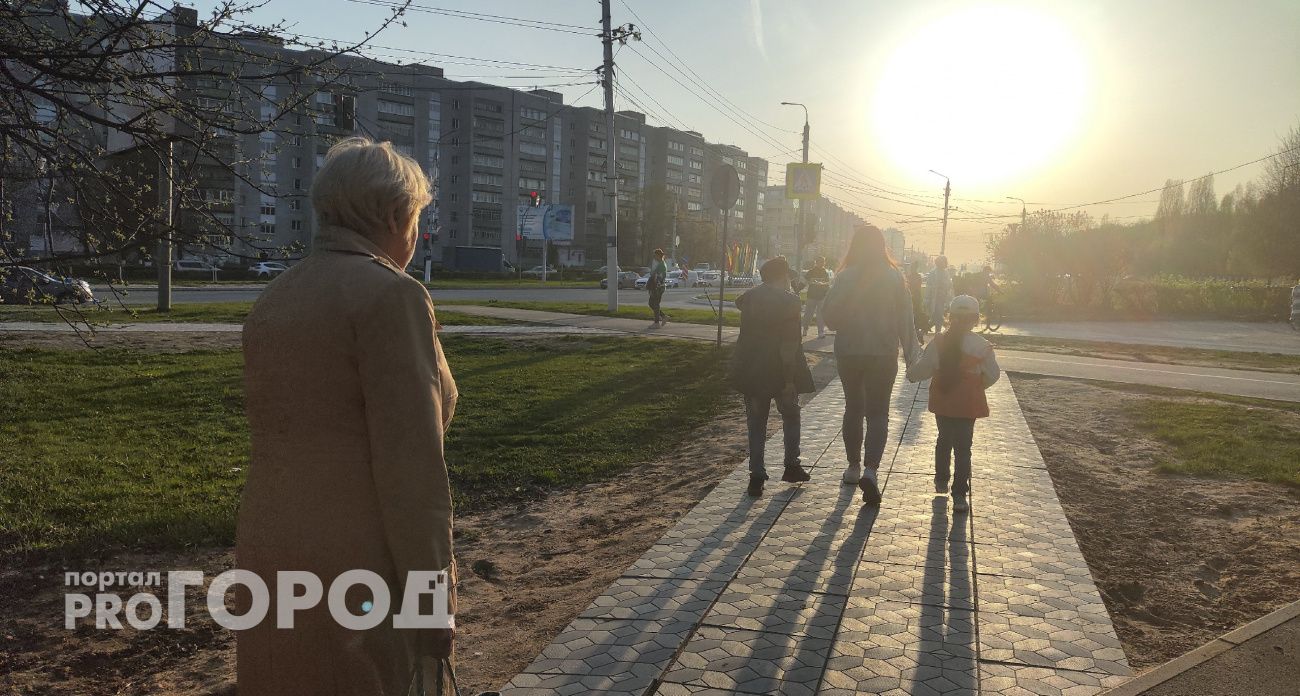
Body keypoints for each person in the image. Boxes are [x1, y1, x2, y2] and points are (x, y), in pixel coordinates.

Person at [238, 137, 458, 696]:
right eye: (415, 217)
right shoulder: (391, 296)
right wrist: (433, 606)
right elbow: (412, 472)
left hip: (270, 543)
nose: (416, 233)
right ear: (392, 214)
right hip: (359, 558)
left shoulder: (278, 296)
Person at [822, 225, 920, 506]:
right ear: (881, 246)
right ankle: (871, 471)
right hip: (883, 353)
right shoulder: (894, 277)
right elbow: (906, 319)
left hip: (850, 352)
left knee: (853, 407)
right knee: (878, 413)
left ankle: (853, 468)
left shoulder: (844, 276)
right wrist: (911, 354)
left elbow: (829, 317)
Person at [905, 295, 1001, 512]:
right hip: (969, 402)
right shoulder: (982, 346)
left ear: (949, 316)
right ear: (975, 319)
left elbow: (925, 367)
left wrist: (911, 374)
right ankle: (960, 495)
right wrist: (977, 386)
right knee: (964, 447)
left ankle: (941, 479)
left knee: (943, 439)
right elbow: (993, 375)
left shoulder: (939, 342)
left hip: (943, 399)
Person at [731, 256, 815, 497]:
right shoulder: (789, 302)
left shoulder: (748, 298)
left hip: (751, 369)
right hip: (779, 370)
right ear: (783, 276)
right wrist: (789, 379)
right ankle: (791, 465)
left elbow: (742, 304)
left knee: (756, 423)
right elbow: (789, 344)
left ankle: (756, 476)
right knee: (790, 414)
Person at [924, 256, 954, 336]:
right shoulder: (933, 273)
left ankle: (927, 331)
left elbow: (949, 286)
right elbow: (929, 287)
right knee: (937, 317)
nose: (944, 264)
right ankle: (937, 333)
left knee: (937, 317)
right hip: (935, 299)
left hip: (943, 298)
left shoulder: (946, 273)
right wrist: (927, 300)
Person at [802, 256, 831, 338]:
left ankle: (820, 332)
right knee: (808, 314)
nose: (822, 264)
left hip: (821, 296)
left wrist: (827, 290)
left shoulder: (825, 272)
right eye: (820, 262)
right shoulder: (811, 272)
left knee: (820, 315)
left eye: (823, 262)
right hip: (811, 296)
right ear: (816, 262)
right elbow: (805, 282)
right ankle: (805, 329)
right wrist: (798, 289)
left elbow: (827, 284)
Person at [971, 265, 1000, 331]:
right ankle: (988, 319)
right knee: (989, 303)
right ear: (987, 270)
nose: (989, 273)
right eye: (989, 271)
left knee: (977, 306)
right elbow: (992, 284)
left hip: (975, 293)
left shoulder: (979, 275)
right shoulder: (986, 276)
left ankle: (976, 319)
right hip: (982, 293)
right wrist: (1000, 291)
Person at [906, 263, 927, 343]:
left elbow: (909, 287)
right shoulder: (916, 277)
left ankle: (916, 336)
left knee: (913, 318)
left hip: (913, 299)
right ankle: (918, 335)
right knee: (916, 319)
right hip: (915, 299)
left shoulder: (910, 277)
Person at [648, 248, 668, 326]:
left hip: (658, 287)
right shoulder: (659, 264)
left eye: (655, 255)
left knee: (655, 304)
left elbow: (659, 277)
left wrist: (654, 283)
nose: (654, 257)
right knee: (651, 303)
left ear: (658, 255)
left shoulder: (662, 265)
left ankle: (656, 322)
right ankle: (663, 316)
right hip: (656, 286)